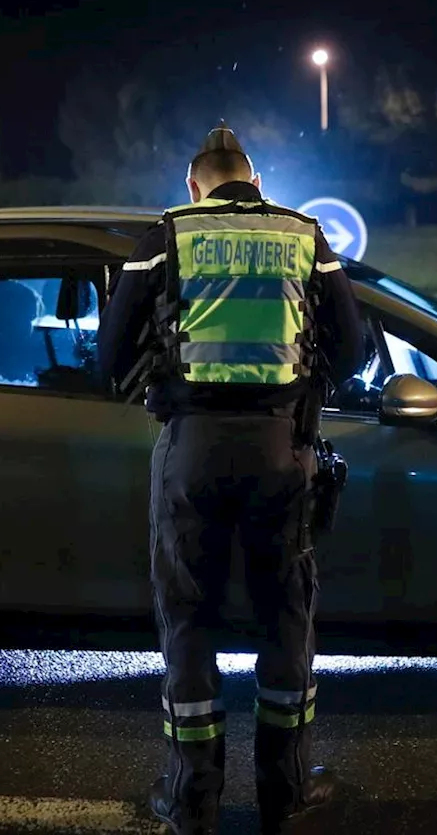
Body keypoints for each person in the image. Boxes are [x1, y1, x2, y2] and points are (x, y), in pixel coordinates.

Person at [97, 122, 364, 835]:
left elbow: (111, 350)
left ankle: (193, 803)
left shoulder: (169, 233)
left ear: (195, 184)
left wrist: (156, 379)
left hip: (191, 449)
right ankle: (284, 797)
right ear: (257, 181)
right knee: (285, 618)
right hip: (284, 449)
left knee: (188, 621)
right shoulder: (304, 233)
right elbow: (357, 347)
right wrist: (307, 386)